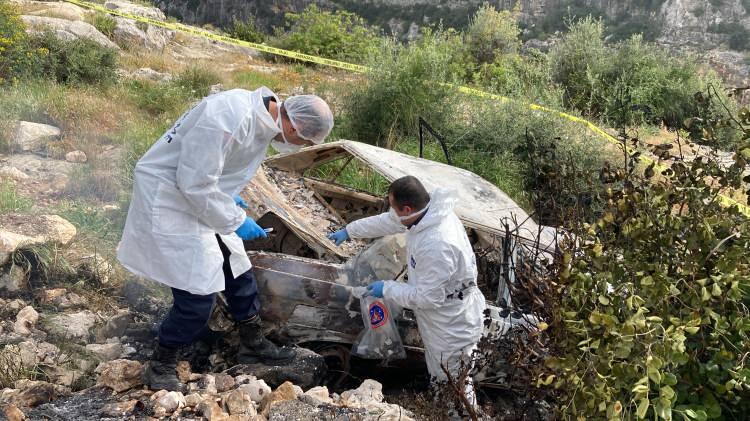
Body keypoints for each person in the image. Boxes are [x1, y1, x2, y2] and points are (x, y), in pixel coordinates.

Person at [117, 87, 334, 391]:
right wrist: (236, 219)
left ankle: (252, 342)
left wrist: (230, 197)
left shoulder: (260, 121)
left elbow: (214, 167)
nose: (299, 146)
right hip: (171, 197)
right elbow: (193, 181)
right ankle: (161, 362)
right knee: (198, 293)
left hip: (201, 196)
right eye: (304, 141)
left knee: (238, 268)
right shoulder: (229, 117)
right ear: (294, 126)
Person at [327, 176, 486, 406]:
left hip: (452, 322)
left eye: (394, 207)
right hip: (439, 316)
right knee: (440, 375)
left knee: (452, 383)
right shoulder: (424, 214)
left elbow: (428, 297)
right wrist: (350, 230)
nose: (393, 212)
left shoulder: (438, 244)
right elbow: (390, 221)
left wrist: (388, 288)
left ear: (408, 208)